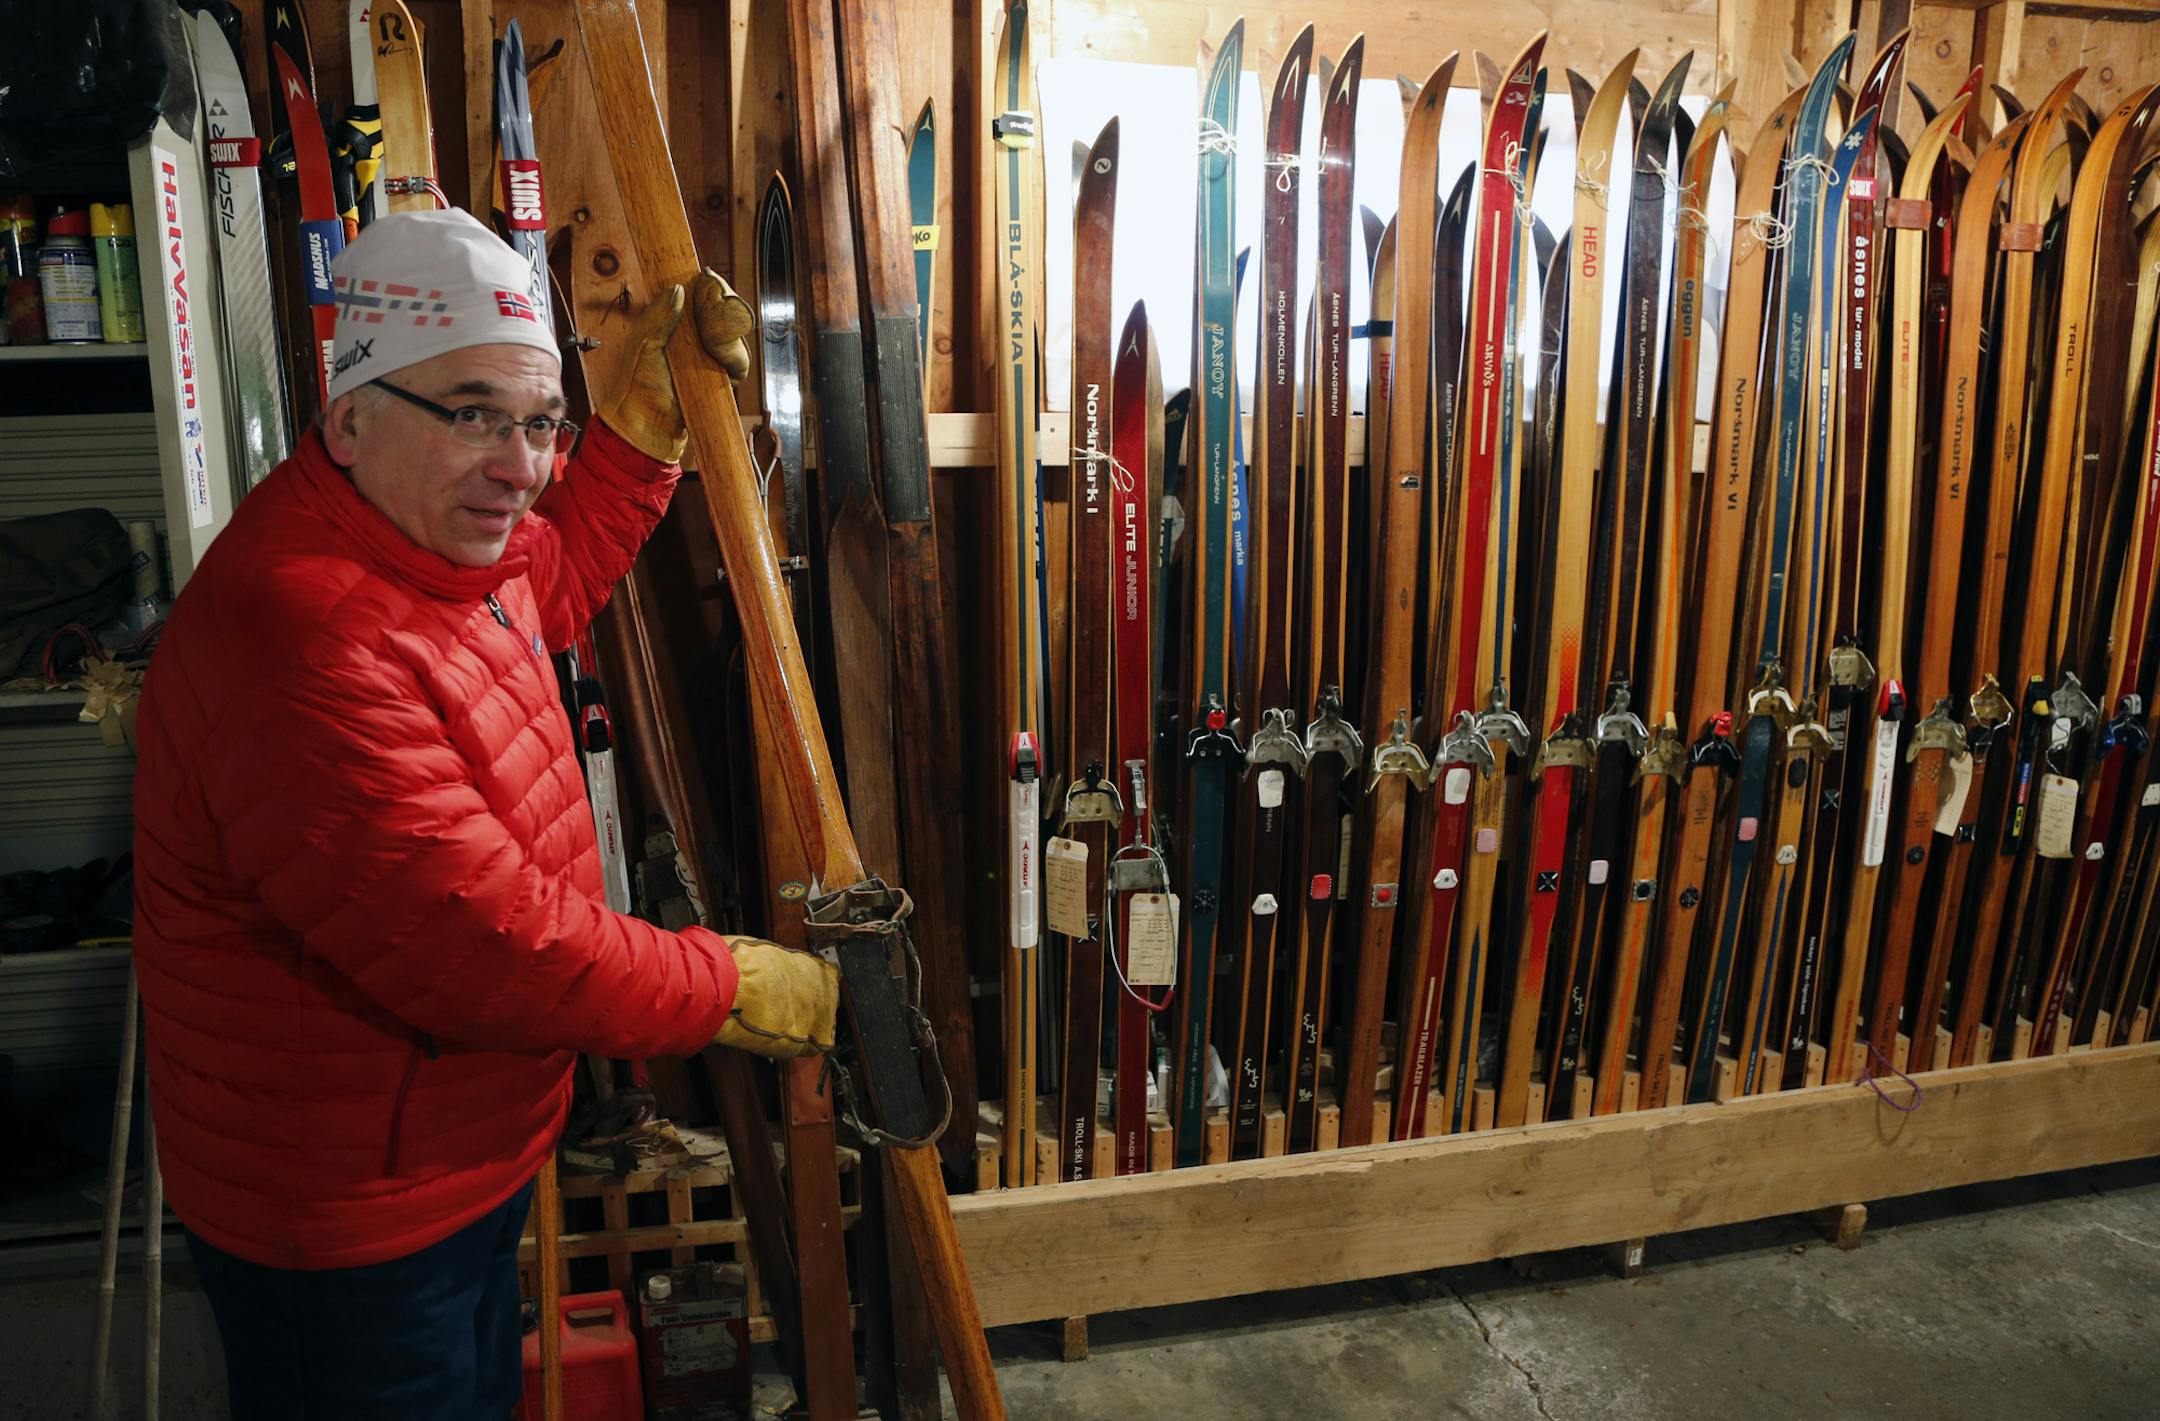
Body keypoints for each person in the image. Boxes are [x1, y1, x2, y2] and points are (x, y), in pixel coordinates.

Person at [130, 208, 838, 1420]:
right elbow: (489, 946)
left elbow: (543, 575)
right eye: (472, 414)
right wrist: (726, 983)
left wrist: (642, 432)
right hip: (348, 1218)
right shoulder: (300, 638)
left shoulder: (428, 545)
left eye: (540, 421)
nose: (521, 466)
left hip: (449, 1153)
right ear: (350, 420)